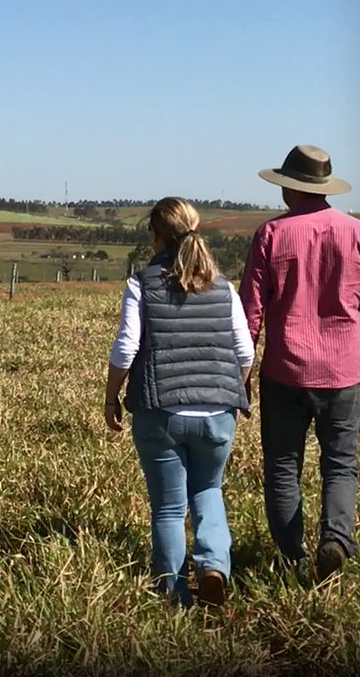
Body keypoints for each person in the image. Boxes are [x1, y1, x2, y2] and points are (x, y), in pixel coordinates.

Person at [239, 144, 360, 584]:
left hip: (283, 372)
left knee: (282, 465)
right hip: (343, 373)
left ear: (289, 187)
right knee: (341, 464)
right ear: (325, 187)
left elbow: (249, 314)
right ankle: (335, 537)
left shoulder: (270, 234)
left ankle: (293, 557)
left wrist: (241, 376)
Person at [105, 197, 254, 608]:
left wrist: (111, 397)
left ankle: (173, 593)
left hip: (160, 412)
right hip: (219, 413)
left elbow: (125, 349)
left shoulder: (142, 283)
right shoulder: (223, 286)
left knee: (169, 510)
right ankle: (213, 568)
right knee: (209, 490)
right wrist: (228, 390)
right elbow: (245, 352)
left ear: (155, 236)